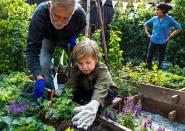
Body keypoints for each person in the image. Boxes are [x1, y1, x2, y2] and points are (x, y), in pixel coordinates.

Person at [26, 0, 86, 104]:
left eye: (66, 18)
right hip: (48, 38)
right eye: (56, 16)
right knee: (43, 64)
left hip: (67, 38)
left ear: (73, 11)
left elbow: (80, 27)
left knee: (81, 62)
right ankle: (48, 92)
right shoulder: (40, 14)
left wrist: (73, 37)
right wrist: (38, 77)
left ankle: (79, 93)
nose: (60, 21)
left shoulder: (80, 14)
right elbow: (32, 50)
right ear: (50, 6)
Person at [66, 39, 117, 129]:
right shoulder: (76, 68)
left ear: (96, 59)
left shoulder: (102, 69)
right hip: (89, 88)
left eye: (88, 62)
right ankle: (86, 105)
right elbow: (71, 86)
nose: (84, 66)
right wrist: (63, 101)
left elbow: (101, 88)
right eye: (80, 63)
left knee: (101, 104)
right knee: (77, 96)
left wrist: (94, 104)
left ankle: (98, 112)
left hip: (106, 91)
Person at [144, 3, 181, 70]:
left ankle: (159, 73)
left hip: (163, 42)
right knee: (149, 58)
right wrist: (148, 34)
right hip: (153, 41)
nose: (156, 11)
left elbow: (178, 28)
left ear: (163, 10)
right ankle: (147, 71)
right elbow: (145, 24)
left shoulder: (169, 19)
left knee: (161, 59)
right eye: (156, 10)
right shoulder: (154, 18)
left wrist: (169, 37)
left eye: (158, 10)